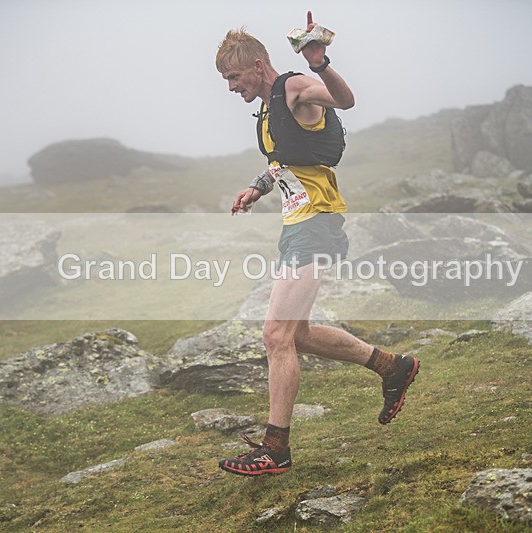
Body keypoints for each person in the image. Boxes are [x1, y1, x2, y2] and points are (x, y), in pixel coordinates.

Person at [215, 11, 419, 476]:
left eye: (232, 76)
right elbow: (284, 161)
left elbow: (345, 100)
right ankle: (393, 367)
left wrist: (320, 62)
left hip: (317, 224)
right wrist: (256, 188)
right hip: (297, 222)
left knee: (275, 335)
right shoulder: (269, 106)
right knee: (297, 333)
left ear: (257, 65)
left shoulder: (294, 87)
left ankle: (276, 448)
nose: (229, 87)